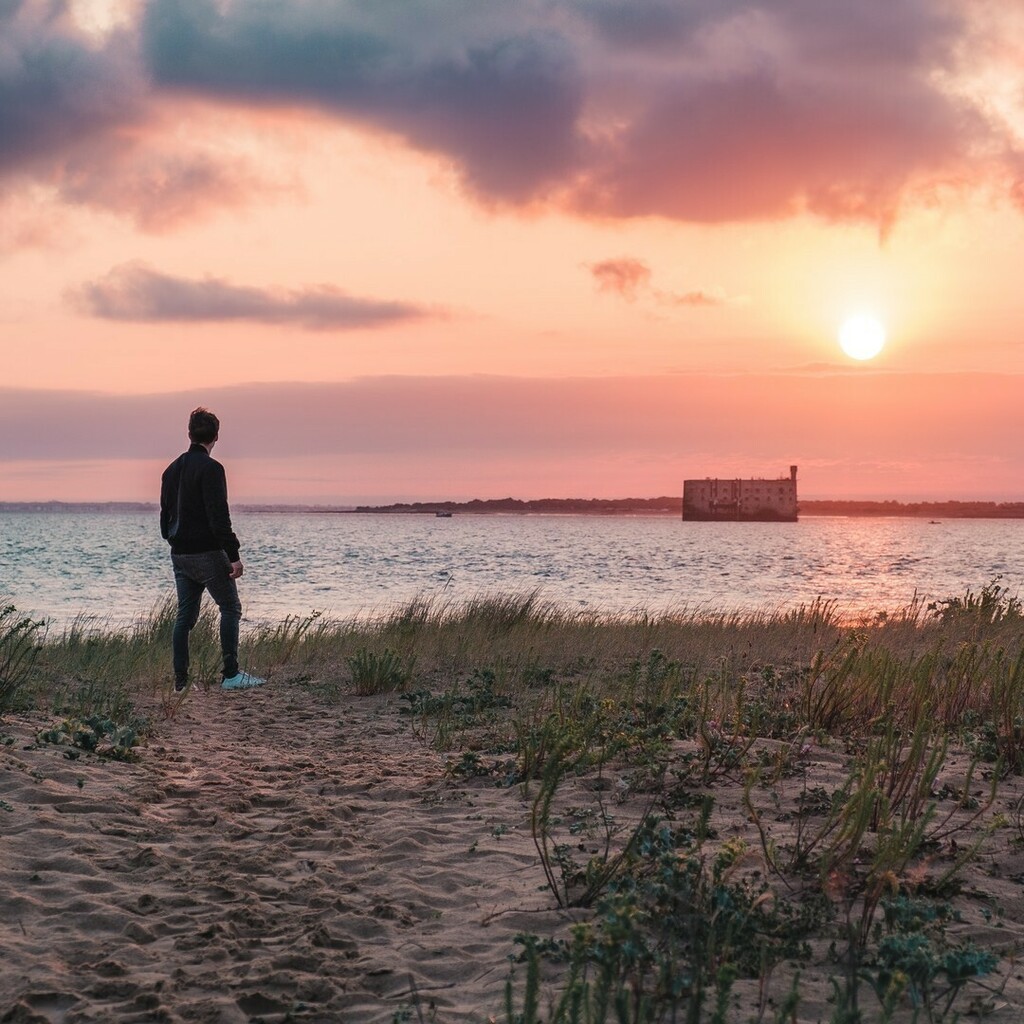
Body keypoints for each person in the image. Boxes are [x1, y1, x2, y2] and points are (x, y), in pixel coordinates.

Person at [160, 407, 265, 692]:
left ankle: (181, 682)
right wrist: (234, 556)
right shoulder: (212, 469)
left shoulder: (170, 470)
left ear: (189, 434)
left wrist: (173, 540)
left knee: (184, 616)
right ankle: (230, 674)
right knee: (230, 607)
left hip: (179, 553)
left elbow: (165, 514)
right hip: (207, 553)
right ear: (216, 436)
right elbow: (220, 518)